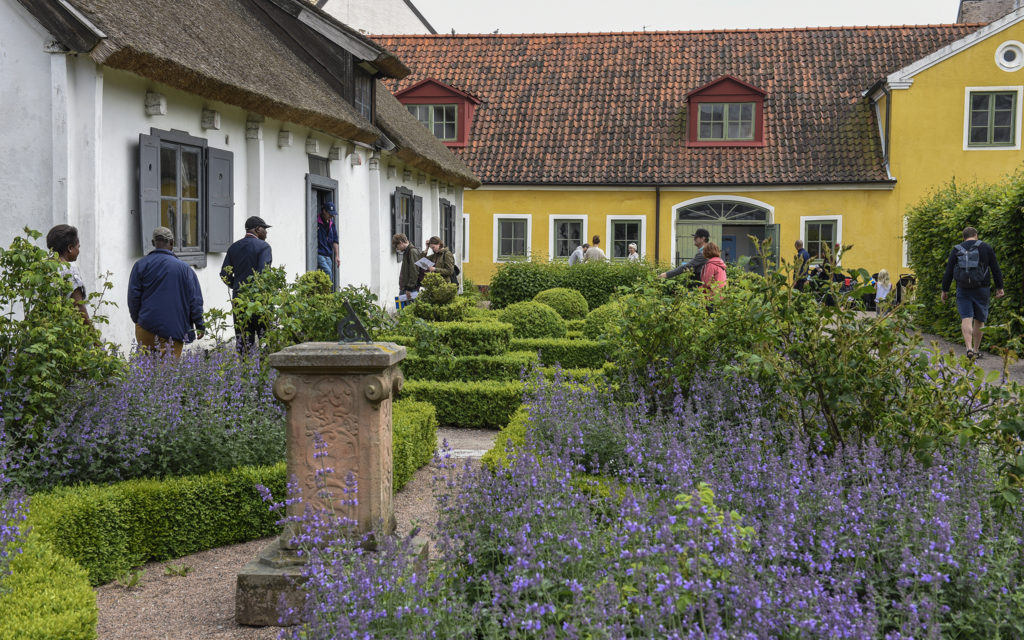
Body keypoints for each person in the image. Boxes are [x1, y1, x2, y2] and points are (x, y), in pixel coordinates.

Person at [127, 226, 205, 358]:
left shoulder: (140, 265)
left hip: (145, 327)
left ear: (153, 243)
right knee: (167, 374)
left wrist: (138, 320)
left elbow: (133, 298)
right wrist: (200, 325)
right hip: (173, 330)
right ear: (172, 243)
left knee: (145, 372)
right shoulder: (185, 269)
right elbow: (195, 301)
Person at [940, 226, 1005, 360]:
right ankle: (975, 350)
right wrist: (1000, 287)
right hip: (982, 288)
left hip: (963, 288)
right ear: (976, 235)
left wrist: (944, 290)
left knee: (966, 318)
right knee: (979, 320)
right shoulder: (985, 247)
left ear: (963, 237)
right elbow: (995, 268)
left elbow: (949, 272)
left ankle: (968, 347)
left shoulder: (957, 249)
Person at [221, 216, 273, 352]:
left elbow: (224, 274)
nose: (266, 232)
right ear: (257, 229)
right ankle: (264, 370)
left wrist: (237, 286)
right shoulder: (264, 247)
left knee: (243, 340)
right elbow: (263, 274)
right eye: (264, 229)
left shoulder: (234, 247)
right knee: (265, 340)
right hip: (259, 301)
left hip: (239, 300)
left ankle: (244, 371)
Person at [45, 224, 90, 326]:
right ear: (70, 248)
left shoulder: (41, 268)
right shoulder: (69, 270)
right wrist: (95, 340)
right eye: (78, 247)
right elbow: (79, 308)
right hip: (63, 332)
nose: (78, 251)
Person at [393, 233, 423, 299]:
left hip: (410, 289)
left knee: (407, 308)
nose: (397, 249)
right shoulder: (407, 251)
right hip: (405, 288)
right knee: (401, 308)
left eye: (397, 246)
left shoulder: (412, 251)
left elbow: (414, 271)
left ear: (401, 242)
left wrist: (409, 288)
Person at [317, 201, 340, 284]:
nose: (331, 216)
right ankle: (327, 295)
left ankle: (324, 294)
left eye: (332, 214)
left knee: (326, 277)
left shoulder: (331, 224)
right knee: (328, 273)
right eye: (329, 214)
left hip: (328, 255)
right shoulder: (317, 222)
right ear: (324, 211)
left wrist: (337, 256)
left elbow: (335, 240)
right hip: (319, 254)